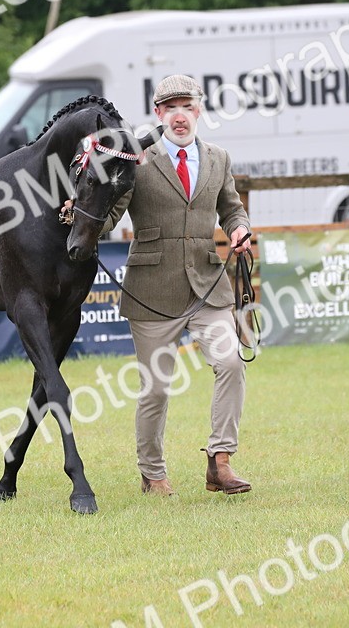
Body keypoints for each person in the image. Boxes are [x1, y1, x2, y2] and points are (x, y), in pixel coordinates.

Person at [101, 74, 253, 497]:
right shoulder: (137, 159)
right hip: (151, 289)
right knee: (155, 390)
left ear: (199, 110)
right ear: (158, 114)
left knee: (231, 363)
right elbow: (109, 216)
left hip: (207, 285)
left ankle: (220, 462)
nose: (180, 115)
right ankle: (152, 474)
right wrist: (79, 213)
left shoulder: (218, 157)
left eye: (187, 106)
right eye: (170, 108)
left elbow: (232, 209)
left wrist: (240, 230)